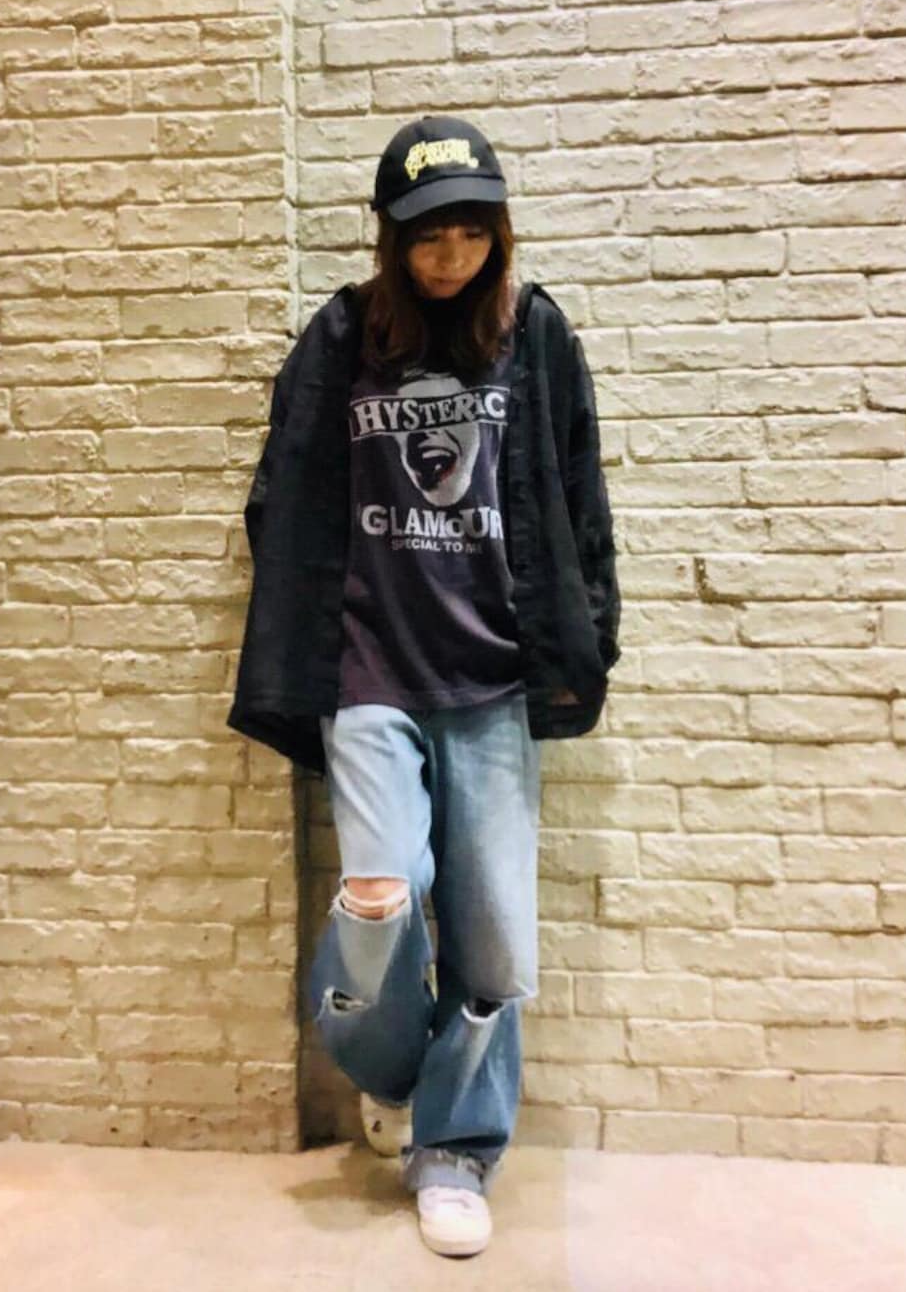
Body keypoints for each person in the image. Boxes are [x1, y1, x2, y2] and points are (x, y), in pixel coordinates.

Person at [227, 115, 621, 1258]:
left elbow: (579, 495)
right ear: (389, 239)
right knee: (378, 895)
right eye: (426, 236)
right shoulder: (343, 335)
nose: (449, 256)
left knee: (491, 947)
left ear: (498, 234)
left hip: (491, 676)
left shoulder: (531, 332)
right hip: (369, 670)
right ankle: (394, 1068)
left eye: (469, 233)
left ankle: (452, 1153)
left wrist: (587, 634)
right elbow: (282, 488)